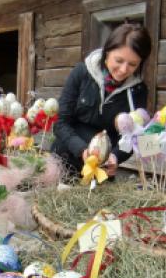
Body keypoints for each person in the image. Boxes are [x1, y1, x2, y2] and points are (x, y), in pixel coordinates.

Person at [51, 23, 151, 178]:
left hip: (101, 170)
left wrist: (116, 157)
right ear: (107, 51)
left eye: (132, 64)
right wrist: (83, 150)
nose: (124, 70)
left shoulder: (138, 90)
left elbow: (133, 136)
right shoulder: (82, 73)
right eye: (119, 60)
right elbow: (61, 123)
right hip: (64, 160)